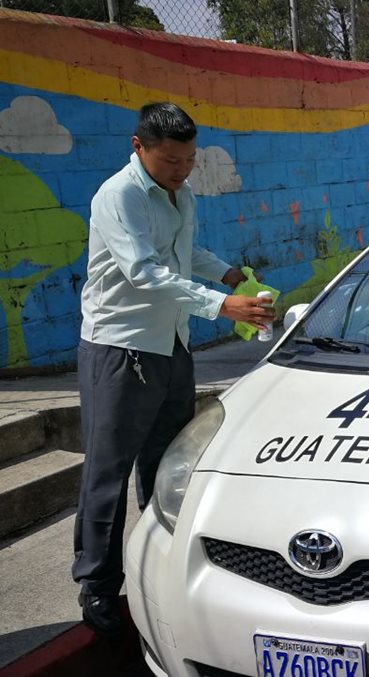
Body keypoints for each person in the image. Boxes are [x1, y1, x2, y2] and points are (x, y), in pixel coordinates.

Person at [72, 102, 274, 637]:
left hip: (171, 344)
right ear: (138, 148)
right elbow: (144, 271)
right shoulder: (117, 196)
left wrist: (227, 273)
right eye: (169, 161)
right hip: (121, 348)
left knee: (166, 464)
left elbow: (183, 254)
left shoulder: (180, 193)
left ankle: (155, 563)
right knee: (108, 473)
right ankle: (96, 585)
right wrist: (220, 306)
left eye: (187, 161)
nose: (181, 171)